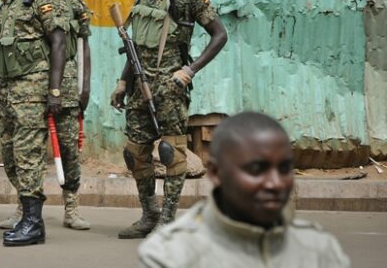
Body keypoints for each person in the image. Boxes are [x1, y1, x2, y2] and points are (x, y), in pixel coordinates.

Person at [111, 0, 228, 239]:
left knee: (170, 152)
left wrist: (190, 70)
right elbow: (135, 44)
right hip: (140, 85)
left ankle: (167, 218)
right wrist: (123, 81)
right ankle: (149, 214)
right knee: (134, 153)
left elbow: (220, 35)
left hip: (170, 87)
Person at [138, 112, 350, 267]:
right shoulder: (168, 254)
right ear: (215, 172)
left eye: (284, 168)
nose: (275, 183)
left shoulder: (320, 249)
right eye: (256, 169)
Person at [0, 0, 67, 246]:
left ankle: (34, 223)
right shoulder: (6, 6)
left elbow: (58, 43)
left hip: (32, 91)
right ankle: (26, 215)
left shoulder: (41, 1)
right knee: (8, 156)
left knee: (28, 156)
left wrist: (55, 90)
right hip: (8, 91)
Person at [31, 0, 92, 230]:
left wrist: (85, 87)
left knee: (69, 150)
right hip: (31, 85)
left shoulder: (74, 5)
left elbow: (83, 47)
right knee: (28, 150)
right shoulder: (26, 2)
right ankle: (24, 208)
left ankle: (72, 209)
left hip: (67, 86)